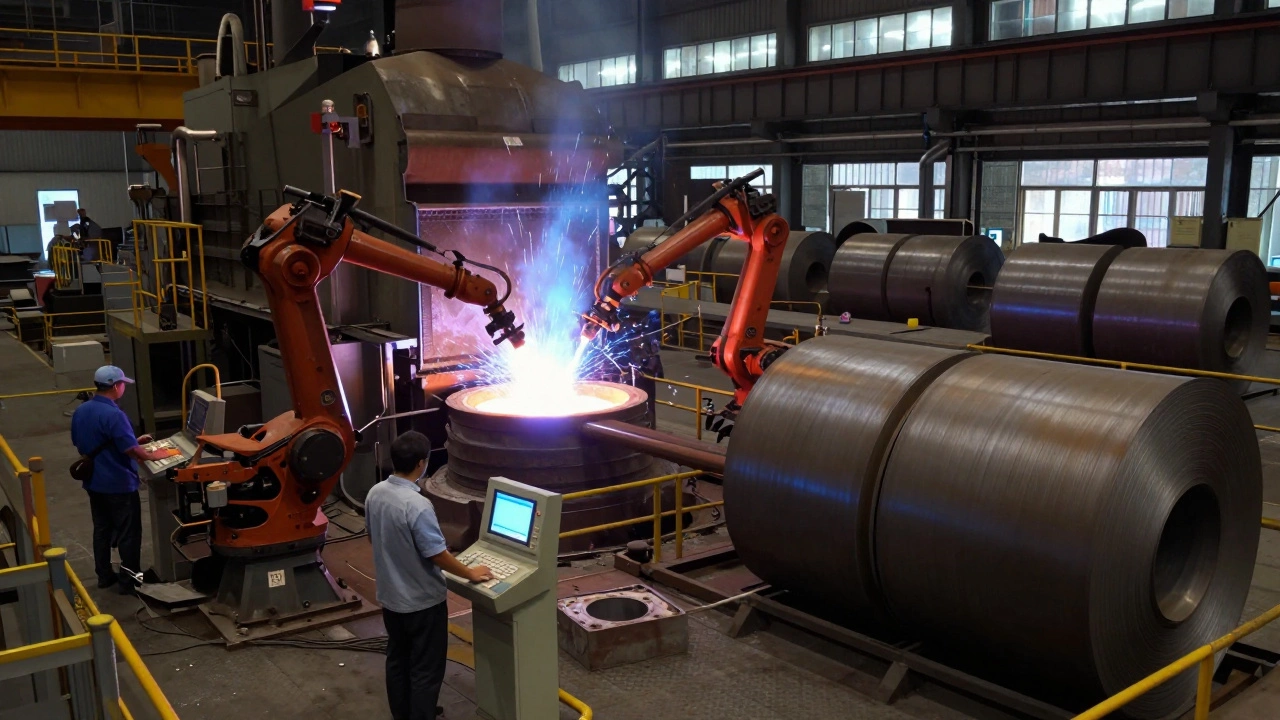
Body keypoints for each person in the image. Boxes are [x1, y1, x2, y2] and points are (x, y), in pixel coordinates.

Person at [366, 431, 492, 720]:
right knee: (426, 669)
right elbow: (436, 554)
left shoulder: (376, 493)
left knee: (398, 660)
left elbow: (375, 538)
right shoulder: (418, 506)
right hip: (422, 604)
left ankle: (404, 713)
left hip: (391, 599)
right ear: (422, 463)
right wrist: (470, 572)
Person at [70, 366, 178, 593]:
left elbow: (87, 442)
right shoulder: (115, 415)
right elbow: (134, 452)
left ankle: (104, 576)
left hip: (94, 482)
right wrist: (152, 453)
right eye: (123, 384)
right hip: (118, 484)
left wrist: (133, 440)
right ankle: (130, 583)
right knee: (128, 533)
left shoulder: (83, 410)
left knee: (102, 529)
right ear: (115, 386)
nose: (124, 388)